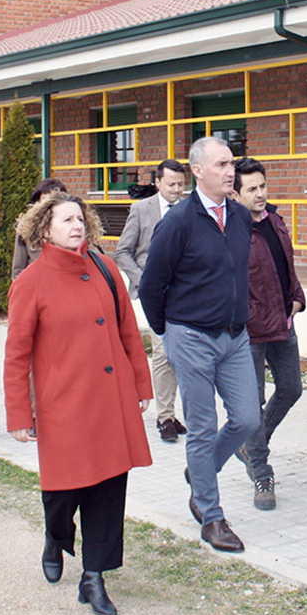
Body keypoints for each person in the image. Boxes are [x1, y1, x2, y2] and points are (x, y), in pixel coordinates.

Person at [4, 191, 153, 615]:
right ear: (44, 229)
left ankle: (94, 578)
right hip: (63, 407)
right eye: (67, 220)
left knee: (108, 490)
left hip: (110, 401)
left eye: (80, 218)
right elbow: (16, 355)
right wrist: (19, 413)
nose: (77, 226)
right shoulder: (30, 282)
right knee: (62, 494)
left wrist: (142, 386)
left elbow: (129, 333)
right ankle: (56, 537)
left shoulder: (106, 269)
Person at [139, 137, 258, 553]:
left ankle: (201, 470)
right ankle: (211, 516)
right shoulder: (178, 222)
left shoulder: (241, 217)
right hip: (191, 337)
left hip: (234, 336)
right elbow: (151, 285)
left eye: (232, 164)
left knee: (247, 419)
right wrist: (167, 333)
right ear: (198, 172)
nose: (231, 171)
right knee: (203, 428)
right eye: (222, 164)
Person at [232, 157, 305, 510]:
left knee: (292, 389)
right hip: (249, 332)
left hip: (282, 324)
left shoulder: (275, 221)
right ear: (235, 194)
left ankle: (250, 445)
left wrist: (298, 299)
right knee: (252, 404)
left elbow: (286, 267)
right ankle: (261, 472)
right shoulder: (231, 231)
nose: (260, 194)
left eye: (262, 186)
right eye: (252, 189)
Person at [114, 159, 188, 443]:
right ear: (157, 183)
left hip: (184, 292)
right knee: (162, 352)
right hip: (154, 293)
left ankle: (175, 412)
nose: (177, 190)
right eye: (171, 184)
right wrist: (143, 280)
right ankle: (165, 417)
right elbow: (122, 251)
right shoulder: (141, 210)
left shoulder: (188, 209)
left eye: (181, 185)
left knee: (181, 353)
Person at [11, 178, 68, 280]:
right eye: (46, 198)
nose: (49, 203)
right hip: (37, 284)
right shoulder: (26, 227)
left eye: (55, 199)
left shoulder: (72, 226)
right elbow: (18, 268)